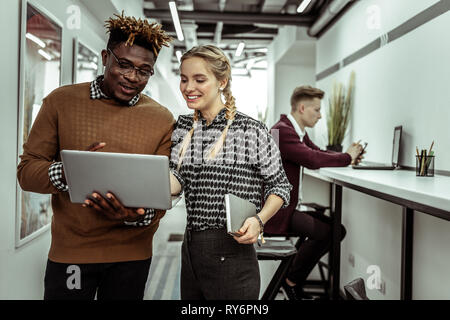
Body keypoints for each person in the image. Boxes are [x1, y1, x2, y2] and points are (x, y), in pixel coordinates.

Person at [17, 13, 174, 300]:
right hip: (72, 253)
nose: (131, 77)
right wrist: (70, 172)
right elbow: (27, 173)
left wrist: (133, 216)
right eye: (123, 64)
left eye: (143, 70)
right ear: (105, 57)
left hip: (132, 255)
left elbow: (161, 198)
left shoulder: (162, 119)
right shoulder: (60, 102)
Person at [168, 45, 292, 300]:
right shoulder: (182, 127)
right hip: (190, 247)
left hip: (232, 250)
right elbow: (179, 179)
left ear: (222, 82)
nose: (189, 87)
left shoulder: (251, 130)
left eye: (199, 79)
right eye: (184, 79)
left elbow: (280, 186)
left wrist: (259, 221)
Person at [264, 85, 363, 300]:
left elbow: (316, 152)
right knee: (331, 232)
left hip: (288, 207)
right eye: (316, 110)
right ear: (302, 108)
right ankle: (290, 281)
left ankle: (291, 280)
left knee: (337, 229)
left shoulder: (294, 131)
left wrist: (348, 157)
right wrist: (347, 157)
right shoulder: (281, 131)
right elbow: (311, 160)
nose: (320, 116)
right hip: (278, 213)